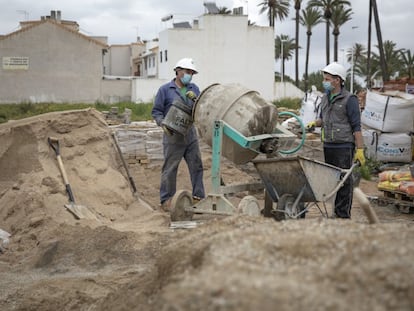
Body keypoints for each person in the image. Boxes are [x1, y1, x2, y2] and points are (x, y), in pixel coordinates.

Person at [307, 62, 365, 219]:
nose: (324, 82)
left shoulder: (349, 99)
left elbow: (356, 127)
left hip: (344, 146)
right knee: (333, 182)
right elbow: (322, 119)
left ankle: (343, 216)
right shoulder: (325, 98)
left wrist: (360, 150)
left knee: (344, 182)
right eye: (324, 78)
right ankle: (336, 213)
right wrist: (314, 123)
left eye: (327, 79)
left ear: (337, 80)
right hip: (329, 145)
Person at [151, 58, 205, 211]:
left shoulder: (194, 88)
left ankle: (198, 197)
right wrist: (162, 123)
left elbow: (200, 109)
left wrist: (195, 100)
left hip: (190, 135)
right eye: (188, 72)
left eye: (192, 73)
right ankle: (167, 200)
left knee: (197, 166)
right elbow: (156, 111)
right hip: (172, 135)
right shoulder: (165, 90)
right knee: (170, 168)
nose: (190, 75)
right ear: (178, 71)